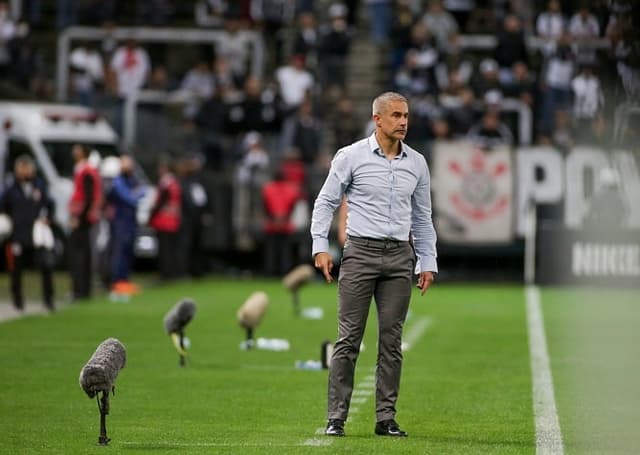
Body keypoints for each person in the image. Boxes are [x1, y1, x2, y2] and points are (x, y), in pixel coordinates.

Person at [310, 92, 438, 438]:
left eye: (406, 115)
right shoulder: (350, 157)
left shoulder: (417, 163)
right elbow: (325, 203)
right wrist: (320, 246)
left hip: (400, 257)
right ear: (377, 119)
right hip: (360, 254)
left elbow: (423, 219)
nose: (404, 122)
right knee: (348, 339)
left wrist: (428, 260)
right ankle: (336, 418)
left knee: (391, 342)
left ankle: (386, 418)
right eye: (396, 115)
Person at [0, 155, 55, 312]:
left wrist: (47, 219)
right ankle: (18, 302)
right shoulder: (11, 189)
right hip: (18, 234)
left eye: (27, 167)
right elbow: (2, 207)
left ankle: (48, 301)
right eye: (21, 168)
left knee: (46, 265)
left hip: (37, 235)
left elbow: (50, 205)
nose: (25, 171)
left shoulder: (40, 185)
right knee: (16, 270)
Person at [106, 155, 145, 293]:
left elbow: (143, 191)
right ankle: (117, 281)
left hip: (131, 221)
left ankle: (125, 280)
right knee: (119, 252)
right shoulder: (117, 181)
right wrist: (134, 195)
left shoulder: (132, 179)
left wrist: (135, 194)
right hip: (120, 221)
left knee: (128, 251)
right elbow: (130, 198)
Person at [68, 143, 102, 300]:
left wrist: (78, 218)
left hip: (83, 219)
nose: (74, 151)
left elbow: (88, 198)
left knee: (80, 255)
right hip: (85, 218)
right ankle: (83, 290)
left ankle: (80, 290)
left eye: (77, 149)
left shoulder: (85, 171)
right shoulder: (86, 170)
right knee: (84, 254)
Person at [149, 158, 181, 281]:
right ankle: (170, 273)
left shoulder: (166, 184)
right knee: (170, 249)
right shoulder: (174, 183)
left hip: (163, 221)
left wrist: (150, 217)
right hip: (173, 221)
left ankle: (165, 274)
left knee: (164, 250)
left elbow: (160, 203)